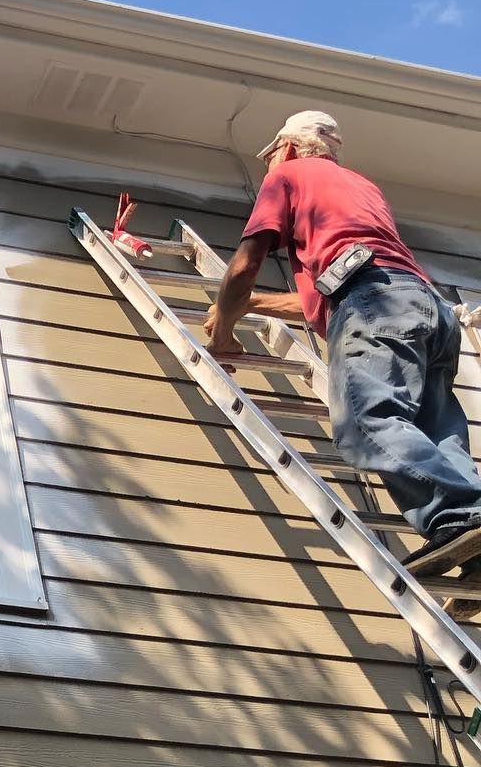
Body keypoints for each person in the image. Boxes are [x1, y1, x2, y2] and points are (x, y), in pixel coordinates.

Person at [206, 109, 481, 587]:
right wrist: (250, 306)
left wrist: (222, 332)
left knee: (364, 422)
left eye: (271, 155)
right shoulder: (360, 187)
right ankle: (475, 552)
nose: (269, 164)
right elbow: (332, 295)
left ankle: (464, 513)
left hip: (374, 301)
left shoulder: (287, 175)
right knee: (436, 431)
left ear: (289, 147)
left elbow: (245, 265)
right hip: (424, 307)